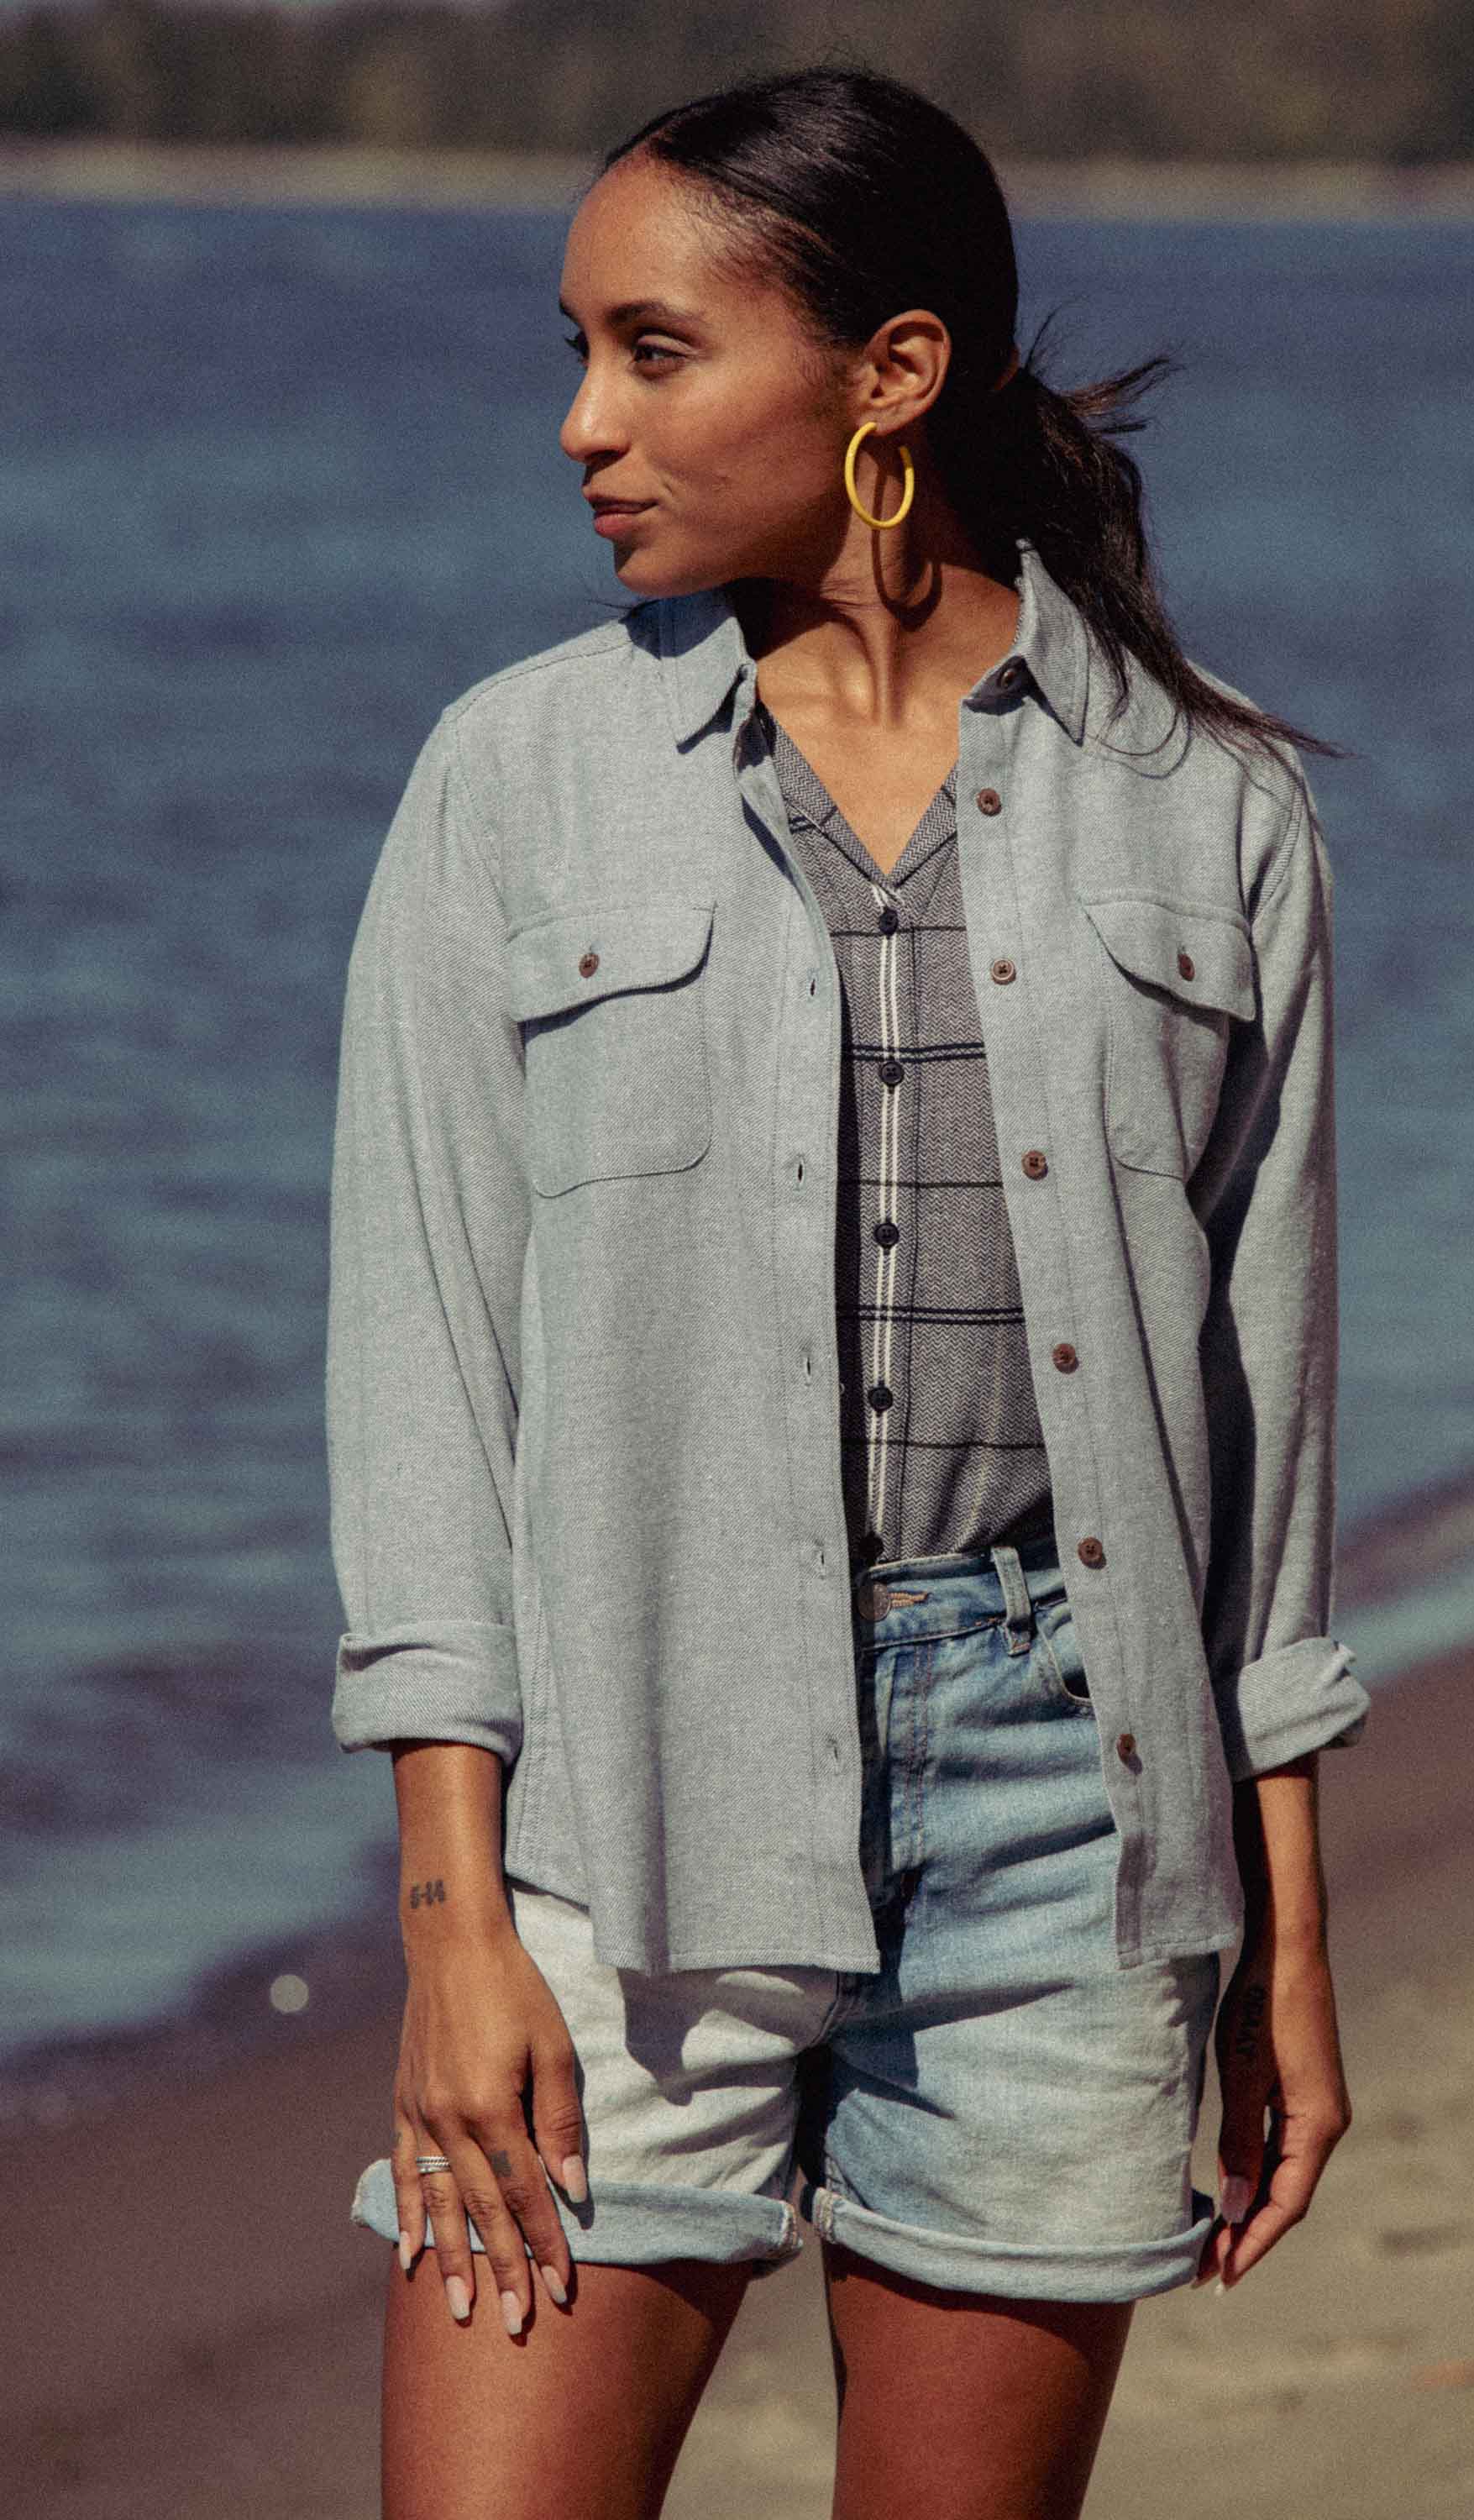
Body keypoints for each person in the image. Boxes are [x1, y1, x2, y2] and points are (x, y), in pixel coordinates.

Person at [326, 60, 1373, 2520]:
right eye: (576, 348)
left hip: (1074, 1825)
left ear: (890, 373)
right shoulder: (517, 781)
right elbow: (424, 1369)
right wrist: (450, 1928)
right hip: (621, 1811)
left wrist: (1286, 1937)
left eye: (654, 351)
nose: (585, 422)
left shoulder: (1209, 814)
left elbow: (1268, 1420)